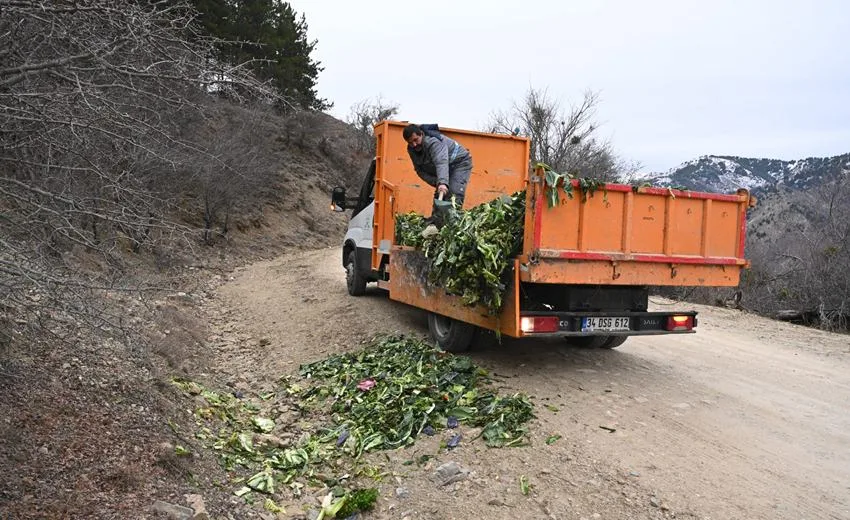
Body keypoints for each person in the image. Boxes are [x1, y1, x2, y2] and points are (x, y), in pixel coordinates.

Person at [403, 124, 473, 209]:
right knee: (440, 194)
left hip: (459, 163)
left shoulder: (434, 142)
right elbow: (419, 170)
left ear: (421, 134)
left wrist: (442, 182)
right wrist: (437, 182)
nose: (414, 145)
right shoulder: (411, 150)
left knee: (454, 193)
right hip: (445, 168)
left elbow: (441, 162)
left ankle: (453, 220)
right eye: (410, 143)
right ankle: (436, 220)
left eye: (416, 140)